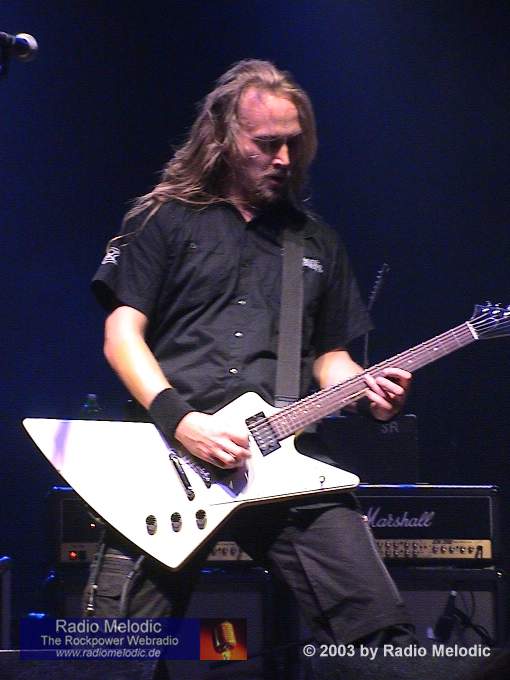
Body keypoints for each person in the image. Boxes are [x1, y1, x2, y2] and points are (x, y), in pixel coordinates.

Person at [85, 59, 414, 659]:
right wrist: (182, 421)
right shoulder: (163, 218)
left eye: (294, 143)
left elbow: (330, 356)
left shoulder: (315, 241)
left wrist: (365, 387)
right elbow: (121, 334)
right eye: (266, 143)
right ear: (223, 137)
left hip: (281, 457)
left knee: (381, 637)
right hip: (167, 461)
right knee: (116, 650)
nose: (284, 158)